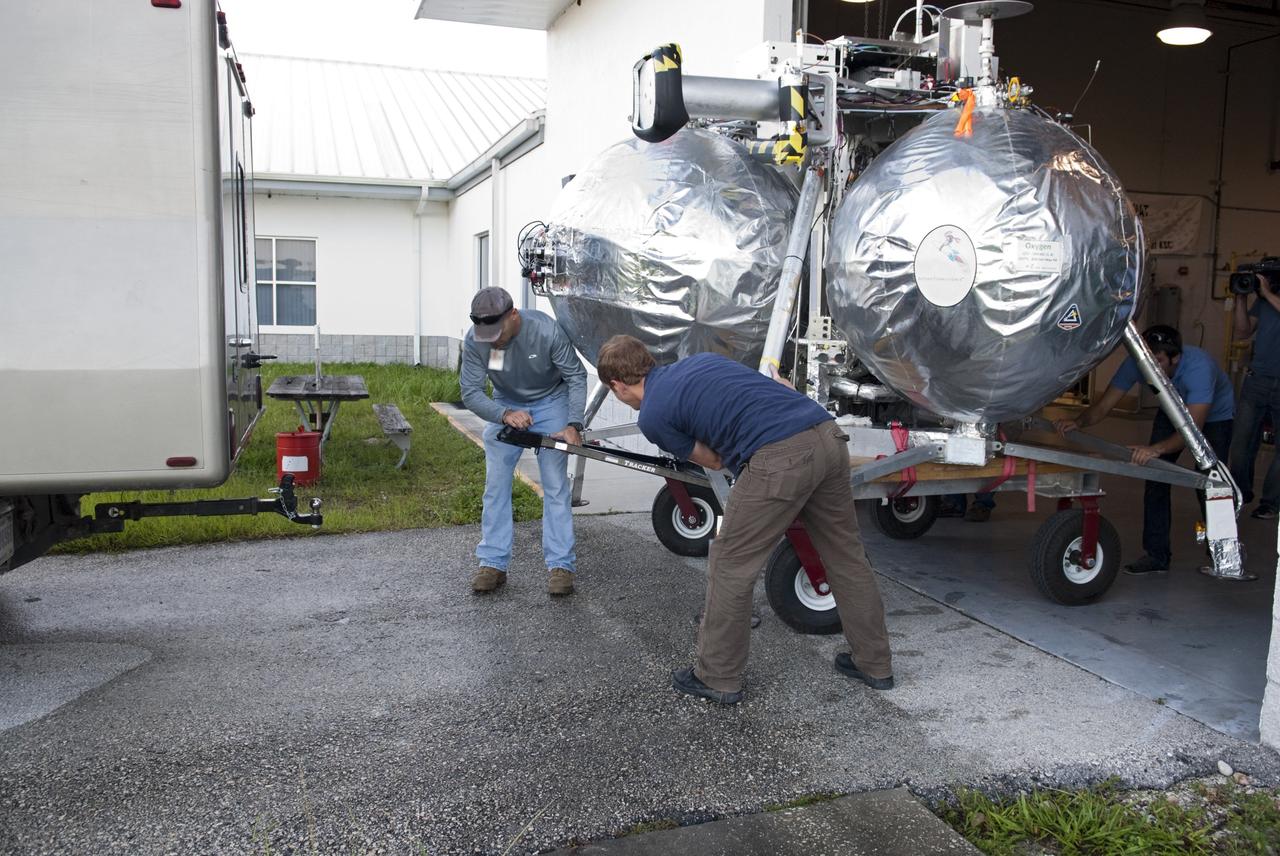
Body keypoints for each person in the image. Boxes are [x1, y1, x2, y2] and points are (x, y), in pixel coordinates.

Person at [596, 334, 893, 705]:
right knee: (846, 555)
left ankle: (716, 676)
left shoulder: (652, 415)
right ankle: (875, 664)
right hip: (828, 437)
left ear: (618, 385)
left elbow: (715, 461)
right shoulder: (700, 360)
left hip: (779, 456)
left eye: (614, 392)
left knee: (730, 563)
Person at [1054, 325, 1233, 575]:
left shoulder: (1198, 369)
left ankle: (1223, 554)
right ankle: (1156, 556)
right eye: (1147, 358)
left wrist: (1156, 448)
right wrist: (1080, 421)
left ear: (1175, 358)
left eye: (1158, 360)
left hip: (1212, 418)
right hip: (1171, 410)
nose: (1151, 366)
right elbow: (1106, 403)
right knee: (1155, 478)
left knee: (1211, 484)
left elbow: (1191, 432)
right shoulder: (1139, 362)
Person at [460, 287, 587, 596]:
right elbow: (471, 393)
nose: (492, 340)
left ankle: (561, 566)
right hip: (506, 403)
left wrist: (573, 424)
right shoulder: (476, 339)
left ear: (513, 315)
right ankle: (493, 563)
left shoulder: (546, 330)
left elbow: (576, 375)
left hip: (551, 401)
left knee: (555, 485)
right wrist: (504, 414)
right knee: (496, 485)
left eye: (497, 331)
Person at [1229, 270, 1280, 520]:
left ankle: (1270, 502)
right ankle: (1240, 492)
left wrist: (1268, 293)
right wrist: (1240, 299)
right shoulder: (1264, 301)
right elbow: (1242, 331)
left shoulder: (1269, 297)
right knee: (1240, 442)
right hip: (1257, 379)